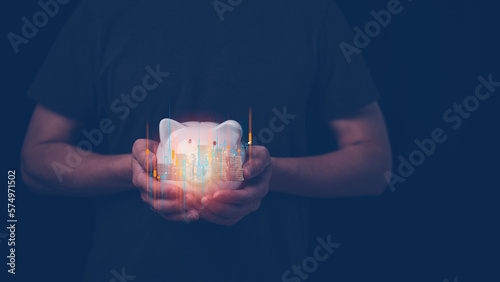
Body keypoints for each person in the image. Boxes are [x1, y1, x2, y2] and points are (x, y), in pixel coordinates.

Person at [21, 0, 391, 281]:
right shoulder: (102, 12)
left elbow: (375, 165)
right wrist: (131, 170)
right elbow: (36, 161)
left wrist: (268, 174)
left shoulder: (312, 13)